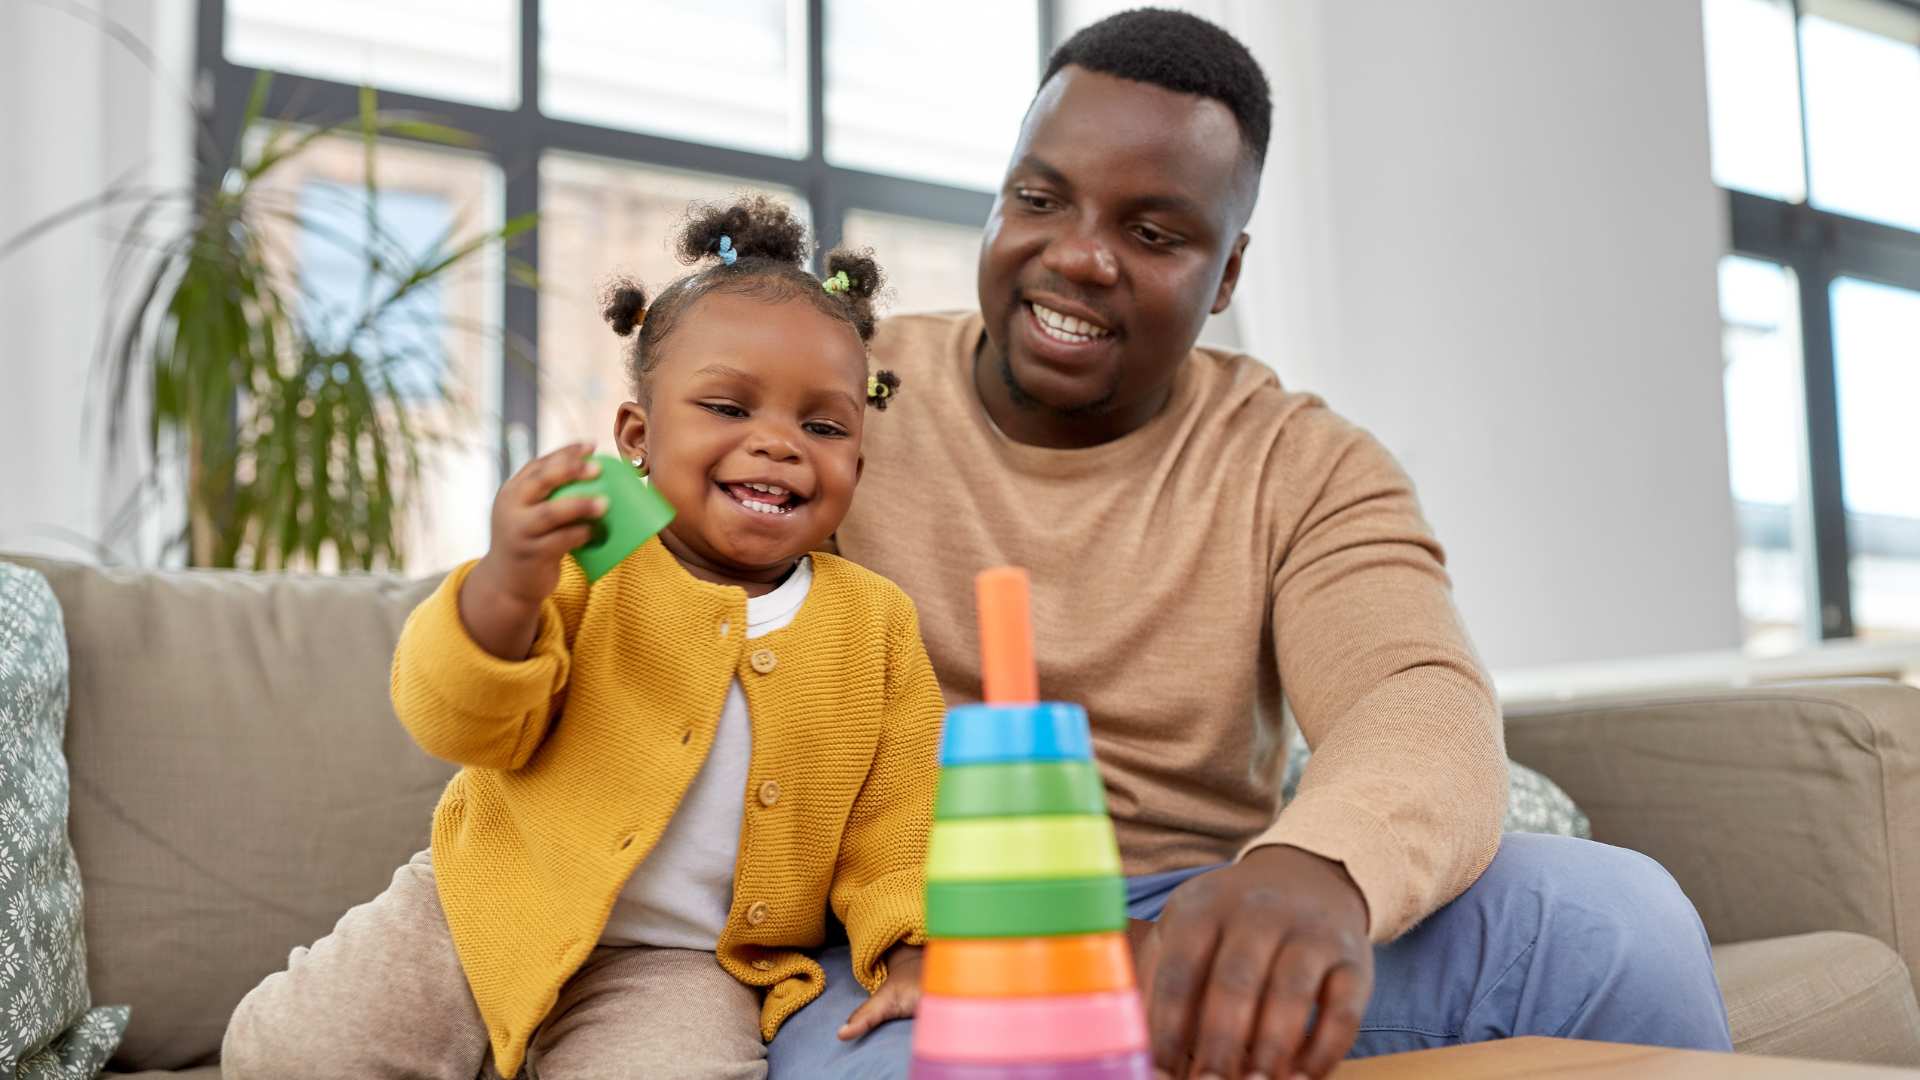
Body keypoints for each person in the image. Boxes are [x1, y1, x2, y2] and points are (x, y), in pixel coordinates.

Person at [770, 9, 1734, 1080]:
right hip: (905, 938)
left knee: (1616, 922)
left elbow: (1410, 692)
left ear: (1227, 274)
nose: (1078, 256)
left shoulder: (1300, 460)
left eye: (1153, 233)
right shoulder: (833, 393)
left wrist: (1316, 869)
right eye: (1039, 200)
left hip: (1193, 926)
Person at [222, 197, 943, 1080]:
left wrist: (910, 948)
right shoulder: (589, 564)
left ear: (856, 465)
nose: (778, 445)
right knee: (291, 1053)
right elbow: (460, 723)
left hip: (675, 965)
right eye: (728, 407)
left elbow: (898, 822)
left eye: (822, 426)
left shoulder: (875, 623)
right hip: (486, 901)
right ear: (638, 436)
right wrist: (505, 586)